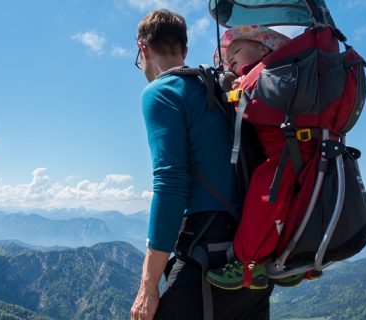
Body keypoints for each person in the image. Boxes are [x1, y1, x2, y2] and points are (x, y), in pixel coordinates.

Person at [130, 10, 272, 320]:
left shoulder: (161, 92)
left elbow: (170, 186)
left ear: (143, 50)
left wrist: (148, 286)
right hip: (252, 257)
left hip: (206, 256)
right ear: (184, 49)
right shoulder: (224, 87)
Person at [205, 25, 317, 290]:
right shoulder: (284, 72)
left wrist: (236, 91)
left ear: (263, 48)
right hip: (304, 150)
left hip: (285, 153)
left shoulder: (266, 73)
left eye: (237, 51)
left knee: (263, 197)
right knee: (295, 206)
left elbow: (254, 109)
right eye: (227, 57)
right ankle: (295, 260)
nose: (230, 59)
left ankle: (247, 264)